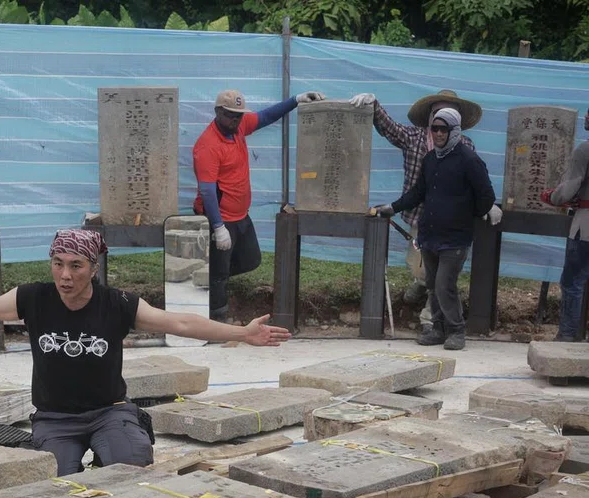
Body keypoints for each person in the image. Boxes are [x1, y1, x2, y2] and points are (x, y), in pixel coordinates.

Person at [0, 229, 292, 476]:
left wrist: (242, 333)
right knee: (56, 480)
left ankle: (114, 452)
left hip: (109, 411)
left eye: (76, 265)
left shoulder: (117, 304)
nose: (65, 275)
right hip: (54, 418)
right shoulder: (33, 298)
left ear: (93, 268)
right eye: (57, 263)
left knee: (131, 466)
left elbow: (180, 323)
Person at [350, 89, 500, 333]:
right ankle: (422, 291)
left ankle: (434, 322)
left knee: (443, 280)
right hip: (422, 222)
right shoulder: (418, 143)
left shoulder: (467, 151)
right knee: (424, 272)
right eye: (436, 121)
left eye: (445, 124)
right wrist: (374, 105)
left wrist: (484, 206)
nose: (439, 131)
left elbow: (479, 186)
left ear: (456, 124)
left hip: (453, 227)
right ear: (430, 119)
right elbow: (391, 130)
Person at [193, 88, 326, 322]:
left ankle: (207, 278)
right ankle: (216, 321)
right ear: (218, 112)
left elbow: (265, 116)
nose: (236, 120)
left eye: (239, 115)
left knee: (251, 259)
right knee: (219, 274)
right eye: (230, 115)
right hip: (220, 218)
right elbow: (207, 191)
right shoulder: (208, 145)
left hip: (240, 214)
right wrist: (218, 227)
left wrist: (295, 100)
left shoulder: (239, 128)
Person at [541, 106, 589, 342]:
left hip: (585, 226)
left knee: (572, 282)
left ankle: (568, 335)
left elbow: (569, 187)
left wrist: (552, 196)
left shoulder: (585, 150)